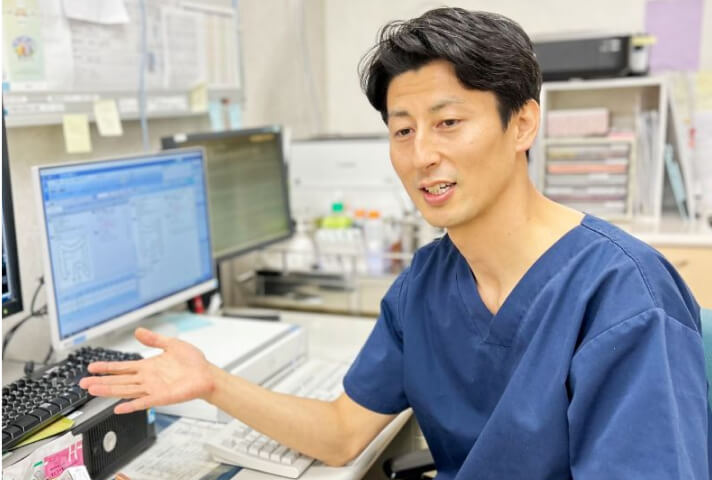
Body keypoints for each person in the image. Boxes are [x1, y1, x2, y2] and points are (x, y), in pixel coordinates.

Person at [80, 7, 710, 479]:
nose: (421, 155)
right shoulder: (427, 283)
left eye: (448, 123)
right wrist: (212, 383)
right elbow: (341, 432)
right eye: (402, 131)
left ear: (522, 124)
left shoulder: (624, 298)